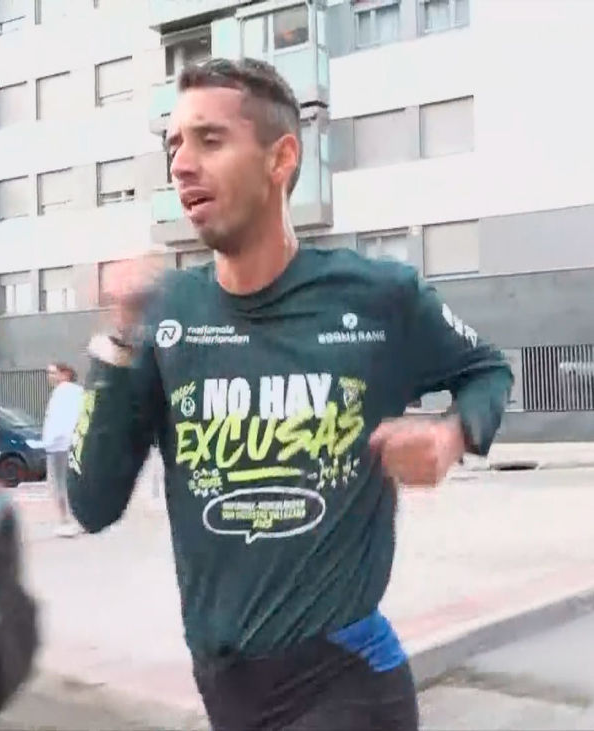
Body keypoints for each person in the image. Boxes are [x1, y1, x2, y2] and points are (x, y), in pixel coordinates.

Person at [66, 58, 513, 731]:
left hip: (345, 679)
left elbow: (488, 369)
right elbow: (92, 503)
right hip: (227, 694)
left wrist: (451, 435)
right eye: (174, 145)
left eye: (209, 140)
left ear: (281, 159)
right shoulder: (167, 315)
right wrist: (118, 340)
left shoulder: (377, 297)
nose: (181, 164)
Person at [39, 362, 84, 538]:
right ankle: (73, 520)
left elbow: (58, 421)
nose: (49, 377)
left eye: (53, 373)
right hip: (69, 443)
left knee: (59, 484)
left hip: (59, 445)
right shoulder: (76, 392)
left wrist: (48, 441)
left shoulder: (63, 392)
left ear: (65, 374)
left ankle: (67, 521)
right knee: (68, 483)